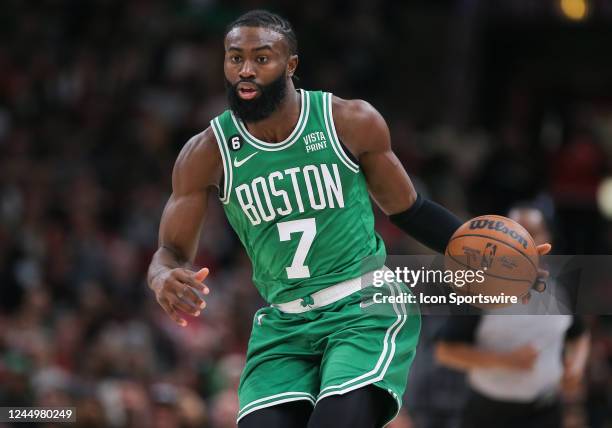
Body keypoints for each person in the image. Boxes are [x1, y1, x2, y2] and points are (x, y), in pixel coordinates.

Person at [146, 10, 549, 428]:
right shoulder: (206, 152)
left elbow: (408, 209)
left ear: (290, 64)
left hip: (362, 308)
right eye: (235, 58)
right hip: (284, 324)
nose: (246, 70)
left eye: (261, 58)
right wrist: (163, 278)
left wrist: (492, 256)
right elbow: (169, 252)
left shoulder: (347, 120)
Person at [434, 205, 589, 428]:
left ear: (547, 239)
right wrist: (503, 360)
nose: (524, 242)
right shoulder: (481, 289)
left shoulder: (562, 285)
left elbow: (580, 335)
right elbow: (444, 352)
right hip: (490, 411)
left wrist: (576, 367)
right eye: (518, 233)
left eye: (532, 233)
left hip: (545, 408)